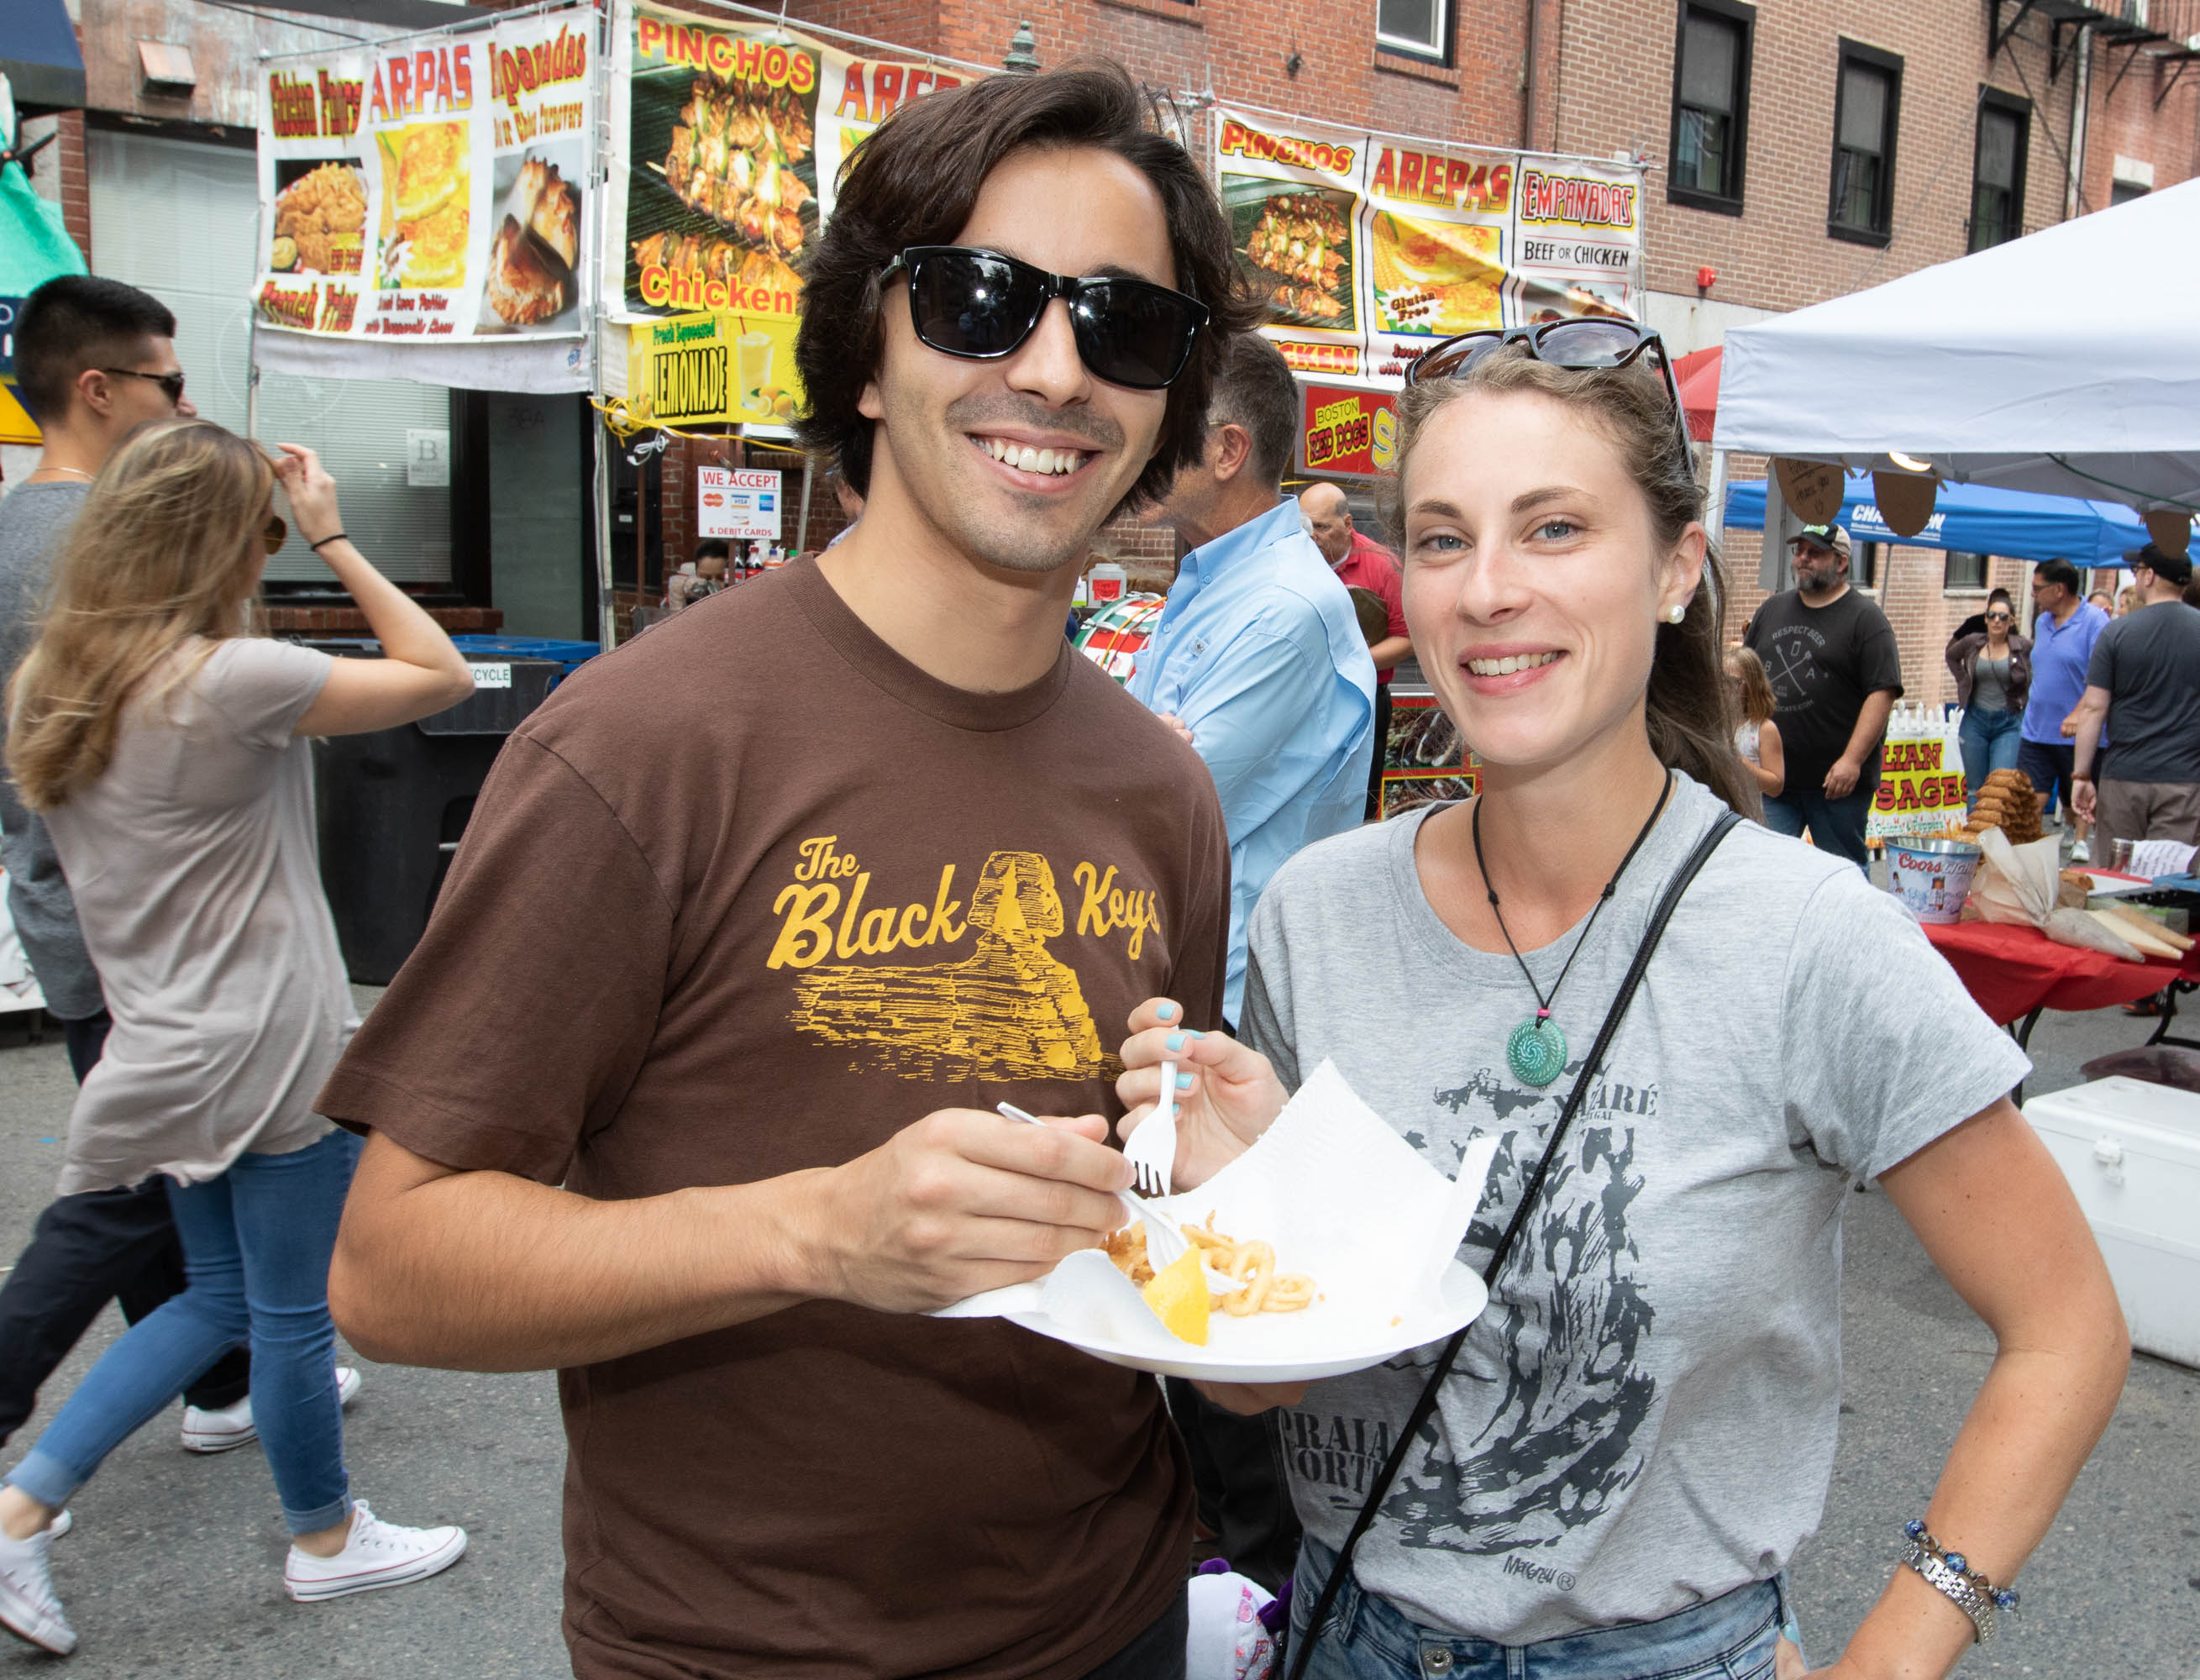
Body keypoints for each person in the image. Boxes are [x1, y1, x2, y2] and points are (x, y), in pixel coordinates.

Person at [318, 65, 1254, 1680]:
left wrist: (1232, 1199)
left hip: (1110, 1623)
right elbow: (392, 1268)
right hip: (741, 1650)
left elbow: (1150, 1233)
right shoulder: (642, 745)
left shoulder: (1158, 788)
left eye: (1124, 327)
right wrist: (814, 1234)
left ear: (1170, 401)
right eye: (980, 300)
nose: (1052, 370)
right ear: (869, 355)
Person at [1109, 323, 2127, 1680]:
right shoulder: (1315, 917)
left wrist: (1893, 1650)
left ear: (1671, 569)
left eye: (1551, 531)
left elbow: (2064, 1330)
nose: (1485, 592)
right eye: (1439, 538)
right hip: (1351, 1633)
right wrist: (1206, 1222)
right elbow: (1261, 1382)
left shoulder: (1810, 941)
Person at [0, 423, 476, 1655]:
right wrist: (330, 532)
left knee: (215, 1294)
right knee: (287, 1313)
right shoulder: (230, 680)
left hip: (158, 1040)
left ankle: (20, 1511)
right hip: (270, 1041)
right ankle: (325, 1539)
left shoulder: (58, 675)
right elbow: (441, 675)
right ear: (218, 546)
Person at [0, 275, 265, 1459]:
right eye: (169, 382)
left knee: (167, 1178)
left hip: (65, 903)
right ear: (97, 389)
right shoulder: (97, 544)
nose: (186, 404)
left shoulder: (11, 533)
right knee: (119, 1199)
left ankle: (224, 1378)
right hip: (149, 923)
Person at [1132, 336, 1373, 1032]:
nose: (1139, 447)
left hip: (1226, 999)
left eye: (1164, 427)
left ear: (1227, 451)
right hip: (1183, 968)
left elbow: (1157, 811)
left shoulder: (1281, 610)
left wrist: (1123, 746)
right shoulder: (1217, 577)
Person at [1742, 522, 1901, 868]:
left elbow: (1882, 693)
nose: (1802, 559)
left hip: (1835, 785)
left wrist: (1852, 761)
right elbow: (1747, 674)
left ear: (1841, 562)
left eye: (1814, 553)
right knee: (1767, 869)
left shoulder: (1867, 620)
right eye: (1799, 551)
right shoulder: (1772, 610)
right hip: (1775, 781)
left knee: (1840, 874)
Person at [2071, 543, 2200, 857]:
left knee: (2114, 883)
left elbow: (2093, 708)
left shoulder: (2116, 633)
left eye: (2137, 570)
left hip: (2123, 777)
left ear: (2150, 576)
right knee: (2168, 888)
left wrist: (2082, 775)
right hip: (2184, 781)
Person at [1300, 482, 1410, 819]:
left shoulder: (1382, 566)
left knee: (1359, 797)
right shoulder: (1295, 560)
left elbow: (1406, 639)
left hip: (1364, 699)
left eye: (1322, 527)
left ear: (1348, 524)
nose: (1313, 536)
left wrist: (1347, 664)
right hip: (1304, 696)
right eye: (1306, 527)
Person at [2016, 558, 2107, 838]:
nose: (2033, 594)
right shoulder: (2043, 621)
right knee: (2029, 799)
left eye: (2037, 587)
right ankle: (2024, 851)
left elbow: (2101, 677)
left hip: (2078, 735)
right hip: (2037, 730)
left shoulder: (2095, 621)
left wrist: (2079, 713)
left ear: (2059, 590)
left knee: (2075, 800)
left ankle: (2079, 842)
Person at [1944, 594, 2032, 807]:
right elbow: (1951, 655)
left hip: (2008, 722)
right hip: (1975, 721)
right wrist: (1964, 680)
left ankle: (1995, 839)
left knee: (1999, 789)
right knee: (1975, 789)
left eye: (2003, 616)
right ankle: (1974, 838)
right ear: (1985, 618)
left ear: (2011, 621)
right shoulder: (1974, 642)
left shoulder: (2023, 647)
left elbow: (2039, 667)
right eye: (1992, 615)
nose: (1996, 621)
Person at [1723, 644, 1784, 801]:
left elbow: (1775, 787)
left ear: (1752, 685)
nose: (1724, 687)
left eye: (1734, 682)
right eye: (1721, 679)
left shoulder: (1764, 729)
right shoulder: (1715, 724)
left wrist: (1738, 760)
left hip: (1747, 813)